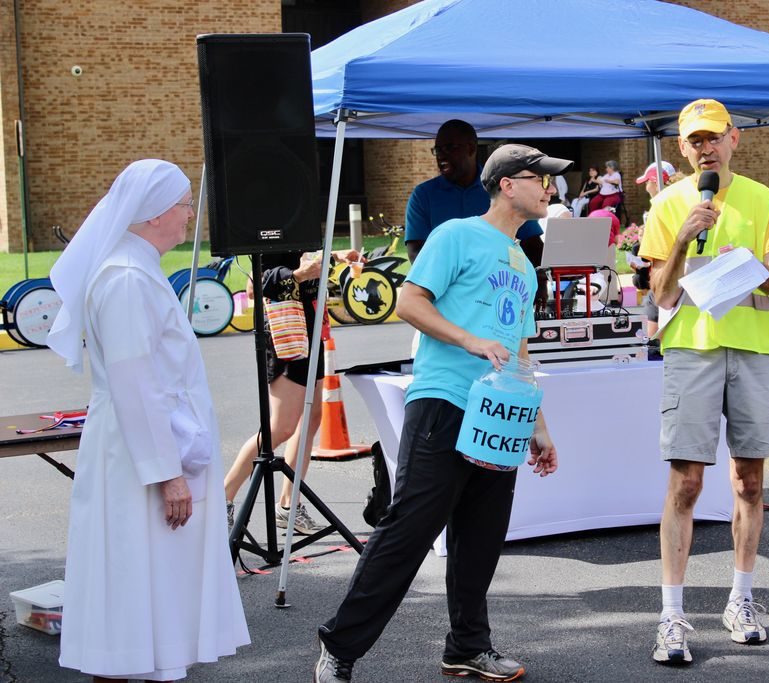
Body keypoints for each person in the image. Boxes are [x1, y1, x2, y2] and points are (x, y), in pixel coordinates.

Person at [314, 144, 565, 683]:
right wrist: (469, 340)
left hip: (499, 414)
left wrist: (538, 425)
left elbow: (520, 348)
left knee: (481, 536)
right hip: (444, 400)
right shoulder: (455, 235)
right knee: (409, 528)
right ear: (506, 185)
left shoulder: (524, 264)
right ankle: (339, 647)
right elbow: (409, 302)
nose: (549, 188)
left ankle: (467, 647)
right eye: (540, 178)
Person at [47, 159, 250, 681]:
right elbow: (134, 383)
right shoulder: (125, 278)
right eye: (184, 205)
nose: (189, 215)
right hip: (138, 458)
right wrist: (167, 473)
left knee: (149, 582)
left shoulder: (135, 270)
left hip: (145, 448)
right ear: (156, 213)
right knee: (129, 583)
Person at [638, 99, 769, 665]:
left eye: (714, 137)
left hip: (752, 349)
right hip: (692, 351)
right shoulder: (666, 204)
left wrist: (752, 263)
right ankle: (671, 616)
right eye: (695, 141)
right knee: (686, 483)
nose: (706, 148)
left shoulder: (761, 198)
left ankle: (741, 600)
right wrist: (682, 238)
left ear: (734, 139)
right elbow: (660, 296)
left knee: (749, 482)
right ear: (682, 149)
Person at [222, 248, 362, 535]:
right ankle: (222, 497)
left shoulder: (301, 226)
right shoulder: (270, 230)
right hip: (287, 328)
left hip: (310, 326)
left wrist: (334, 255)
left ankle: (288, 505)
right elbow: (255, 287)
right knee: (281, 427)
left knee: (311, 418)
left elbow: (302, 255)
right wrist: (298, 275)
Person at [404, 119, 545, 269]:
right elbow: (416, 253)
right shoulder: (423, 195)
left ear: (471, 149)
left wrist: (539, 278)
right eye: (438, 150)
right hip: (444, 283)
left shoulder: (503, 189)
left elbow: (533, 246)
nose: (441, 156)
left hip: (501, 281)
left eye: (450, 148)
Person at [631, 161, 678, 339]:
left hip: (664, 278)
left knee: (651, 343)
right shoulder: (679, 202)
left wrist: (645, 241)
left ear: (655, 182)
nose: (645, 187)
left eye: (647, 182)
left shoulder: (661, 207)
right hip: (674, 276)